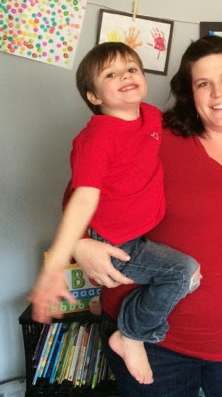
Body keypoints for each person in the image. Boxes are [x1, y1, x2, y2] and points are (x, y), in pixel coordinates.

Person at [71, 35, 222, 397]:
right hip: (152, 343)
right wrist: (79, 244)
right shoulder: (158, 138)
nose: (217, 92)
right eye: (203, 83)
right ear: (190, 94)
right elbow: (84, 188)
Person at [28, 42, 201, 385]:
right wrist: (56, 264)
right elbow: (82, 198)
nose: (125, 76)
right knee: (184, 273)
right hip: (116, 243)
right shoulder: (96, 139)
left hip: (140, 233)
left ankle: (103, 303)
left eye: (132, 69)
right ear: (94, 96)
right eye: (111, 74)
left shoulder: (151, 116)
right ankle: (131, 334)